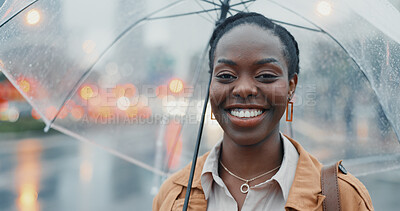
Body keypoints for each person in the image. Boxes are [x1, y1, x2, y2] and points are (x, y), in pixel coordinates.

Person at [153, 12, 373, 211]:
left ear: (291, 86)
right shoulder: (171, 196)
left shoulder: (343, 198)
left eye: (266, 75)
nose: (244, 89)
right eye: (226, 75)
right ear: (210, 85)